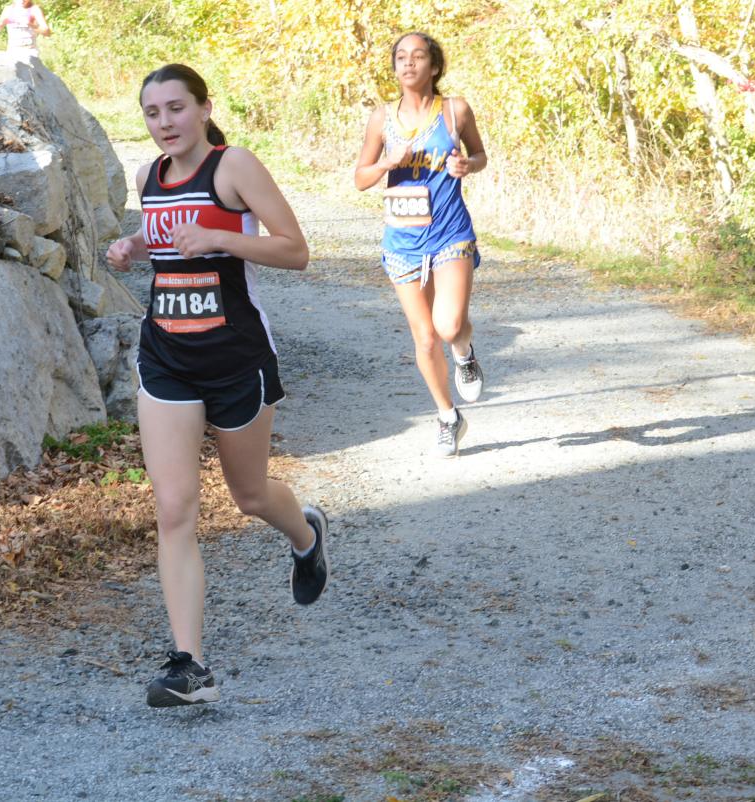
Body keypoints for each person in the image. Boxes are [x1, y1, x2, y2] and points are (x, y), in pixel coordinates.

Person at [106, 64, 329, 708]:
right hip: (167, 357)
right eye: (152, 114)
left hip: (236, 359)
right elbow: (167, 241)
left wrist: (221, 237)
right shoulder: (149, 176)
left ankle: (306, 535)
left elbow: (295, 250)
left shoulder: (235, 168)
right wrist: (133, 247)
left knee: (250, 494)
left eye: (176, 108)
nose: (165, 123)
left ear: (204, 109)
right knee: (174, 510)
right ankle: (189, 665)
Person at [354, 32, 488, 458]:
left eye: (418, 56)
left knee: (448, 327)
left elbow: (481, 155)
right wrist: (385, 164)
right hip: (403, 238)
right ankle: (448, 416)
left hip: (450, 231)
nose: (408, 63)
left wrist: (467, 164)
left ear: (434, 66)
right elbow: (359, 178)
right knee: (425, 337)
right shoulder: (381, 118)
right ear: (394, 67)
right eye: (400, 57)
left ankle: (464, 352)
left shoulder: (455, 110)